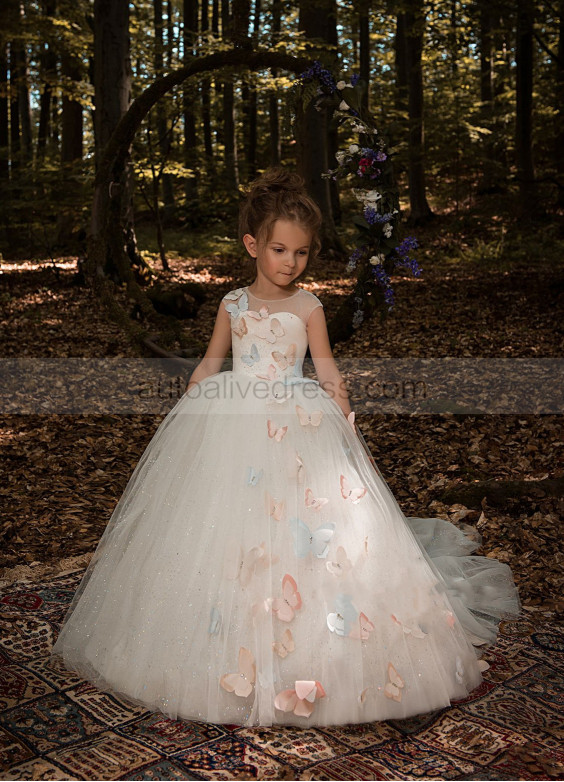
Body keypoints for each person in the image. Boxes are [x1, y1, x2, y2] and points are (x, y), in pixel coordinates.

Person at [51, 167, 521, 727]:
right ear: (253, 245)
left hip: (300, 426)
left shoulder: (309, 308)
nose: (290, 262)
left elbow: (327, 372)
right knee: (227, 530)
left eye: (300, 253)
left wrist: (344, 417)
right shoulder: (233, 304)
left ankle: (323, 648)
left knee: (310, 532)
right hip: (235, 421)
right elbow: (211, 362)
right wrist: (189, 408)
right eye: (279, 249)